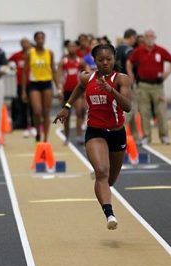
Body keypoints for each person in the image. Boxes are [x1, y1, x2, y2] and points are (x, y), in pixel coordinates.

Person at [54, 44, 132, 229]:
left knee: (110, 180)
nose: (105, 63)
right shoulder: (86, 77)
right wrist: (67, 106)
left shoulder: (122, 79)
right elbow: (79, 89)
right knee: (102, 174)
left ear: (114, 60)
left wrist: (111, 90)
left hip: (117, 133)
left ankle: (99, 172)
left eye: (108, 59)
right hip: (95, 131)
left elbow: (127, 106)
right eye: (100, 60)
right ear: (94, 61)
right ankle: (109, 215)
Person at [126, 29, 171, 145]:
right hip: (143, 85)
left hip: (157, 85)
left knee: (161, 111)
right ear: (143, 38)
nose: (149, 38)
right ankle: (146, 136)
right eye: (147, 36)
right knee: (144, 111)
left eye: (151, 36)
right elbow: (129, 62)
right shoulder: (139, 51)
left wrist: (167, 73)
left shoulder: (160, 50)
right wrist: (130, 75)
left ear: (154, 37)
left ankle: (164, 136)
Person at [22, 31, 62, 142]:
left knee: (46, 112)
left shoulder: (50, 53)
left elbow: (53, 71)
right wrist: (24, 91)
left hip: (47, 83)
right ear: (35, 40)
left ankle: (45, 138)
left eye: (42, 38)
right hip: (34, 84)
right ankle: (38, 132)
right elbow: (25, 72)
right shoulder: (30, 53)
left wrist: (58, 87)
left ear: (44, 40)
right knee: (37, 111)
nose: (40, 40)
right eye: (38, 38)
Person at [57, 40, 87, 144]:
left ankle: (79, 136)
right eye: (70, 46)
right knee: (66, 115)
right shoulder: (63, 62)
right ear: (67, 48)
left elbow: (86, 73)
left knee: (79, 112)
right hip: (66, 92)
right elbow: (59, 76)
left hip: (77, 92)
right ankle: (67, 136)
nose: (72, 49)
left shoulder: (80, 61)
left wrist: (85, 88)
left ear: (77, 48)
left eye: (74, 46)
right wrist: (59, 90)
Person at [8, 38, 34, 135]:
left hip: (32, 83)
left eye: (26, 42)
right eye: (22, 43)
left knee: (33, 105)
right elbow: (7, 61)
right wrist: (11, 66)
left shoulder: (33, 54)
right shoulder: (17, 55)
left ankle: (34, 124)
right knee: (22, 104)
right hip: (20, 84)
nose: (24, 44)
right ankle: (23, 123)